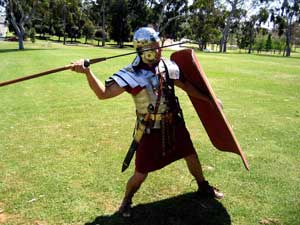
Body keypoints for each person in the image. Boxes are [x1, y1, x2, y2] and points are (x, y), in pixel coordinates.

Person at [71, 27, 224, 217]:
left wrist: (210, 99)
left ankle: (203, 186)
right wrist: (87, 73)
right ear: (143, 49)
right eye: (154, 47)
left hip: (174, 124)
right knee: (141, 173)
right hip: (150, 130)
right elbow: (103, 94)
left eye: (159, 46)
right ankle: (126, 201)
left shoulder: (167, 66)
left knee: (191, 154)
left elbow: (186, 86)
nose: (159, 51)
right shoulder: (131, 73)